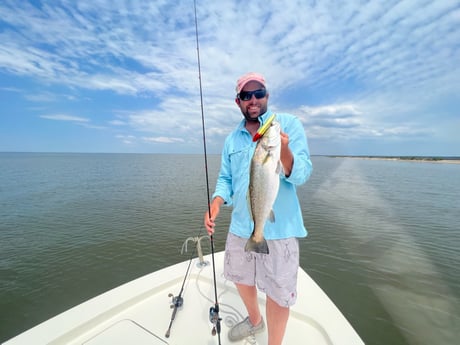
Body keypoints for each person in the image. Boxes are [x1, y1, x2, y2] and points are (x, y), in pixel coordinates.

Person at [204, 72, 313, 345]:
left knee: (278, 293)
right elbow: (225, 180)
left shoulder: (287, 125)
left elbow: (301, 174)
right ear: (238, 101)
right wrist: (216, 203)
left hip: (280, 228)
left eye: (259, 93)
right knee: (240, 278)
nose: (253, 100)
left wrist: (283, 150)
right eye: (246, 95)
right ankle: (255, 320)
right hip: (241, 225)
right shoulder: (232, 140)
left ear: (267, 96)